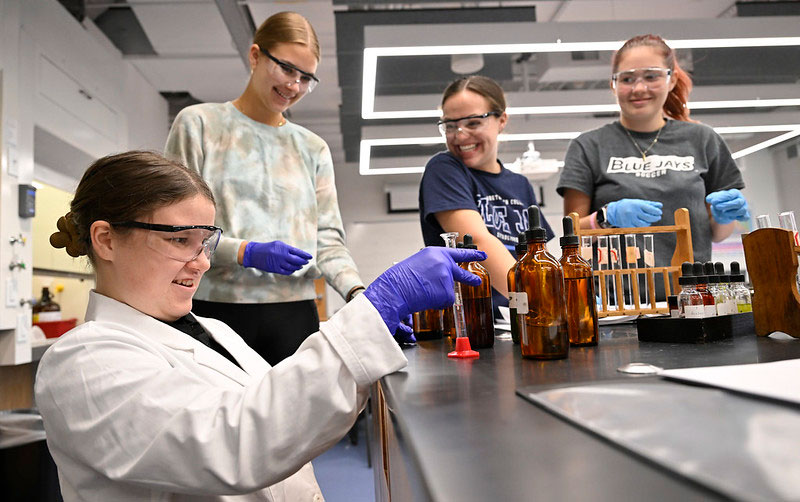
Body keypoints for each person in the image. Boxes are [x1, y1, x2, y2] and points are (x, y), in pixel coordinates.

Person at [37, 150, 485, 501]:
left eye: (205, 242)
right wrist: (373, 312)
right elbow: (236, 445)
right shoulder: (81, 363)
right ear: (106, 239)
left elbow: (286, 409)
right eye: (179, 240)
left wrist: (371, 334)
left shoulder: (215, 331)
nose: (201, 263)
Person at [165, 11, 363, 366]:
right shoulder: (199, 125)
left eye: (306, 78)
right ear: (255, 56)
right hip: (217, 310)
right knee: (222, 418)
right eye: (287, 69)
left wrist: (359, 293)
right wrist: (244, 252)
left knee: (299, 419)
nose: (294, 86)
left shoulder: (312, 148)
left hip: (296, 314)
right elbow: (177, 229)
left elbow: (328, 241)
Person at [557, 34, 748, 274]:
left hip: (694, 295)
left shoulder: (703, 140)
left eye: (651, 76)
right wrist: (607, 217)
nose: (639, 88)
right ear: (613, 84)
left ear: (671, 79)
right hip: (618, 301)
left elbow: (718, 234)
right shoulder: (588, 146)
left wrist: (724, 217)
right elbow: (571, 234)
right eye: (627, 79)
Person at [419, 75, 554, 314]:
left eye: (472, 123)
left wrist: (556, 290)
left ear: (501, 120)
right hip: (475, 322)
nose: (460, 136)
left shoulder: (520, 184)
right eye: (450, 126)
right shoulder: (444, 169)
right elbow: (477, 242)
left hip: (519, 317)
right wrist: (542, 303)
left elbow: (537, 255)